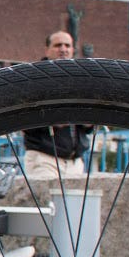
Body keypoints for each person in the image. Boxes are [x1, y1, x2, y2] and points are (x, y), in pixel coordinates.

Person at [20, 30, 92, 180]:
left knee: (75, 203)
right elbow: (21, 118)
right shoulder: (34, 78)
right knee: (47, 202)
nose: (63, 49)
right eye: (58, 45)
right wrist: (50, 119)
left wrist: (88, 120)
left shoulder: (81, 78)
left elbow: (89, 123)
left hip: (75, 161)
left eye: (67, 45)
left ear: (73, 50)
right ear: (47, 50)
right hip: (44, 158)